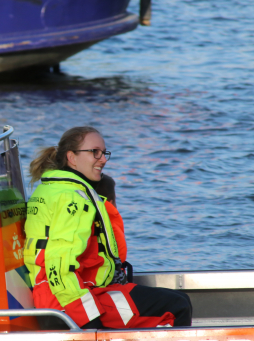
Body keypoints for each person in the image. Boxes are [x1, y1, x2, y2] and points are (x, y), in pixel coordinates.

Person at [24, 126, 192, 329]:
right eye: (94, 152)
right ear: (72, 157)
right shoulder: (73, 198)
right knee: (177, 306)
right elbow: (59, 267)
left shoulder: (50, 189)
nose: (103, 159)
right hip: (69, 303)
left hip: (62, 295)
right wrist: (88, 323)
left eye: (104, 153)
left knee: (176, 298)